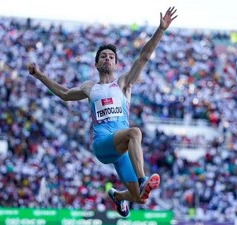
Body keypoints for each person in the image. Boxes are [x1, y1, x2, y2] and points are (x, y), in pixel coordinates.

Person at [28, 6, 178, 217]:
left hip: (123, 149)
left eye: (111, 57)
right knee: (135, 132)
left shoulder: (124, 84)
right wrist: (39, 75)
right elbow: (63, 93)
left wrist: (161, 29)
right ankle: (143, 179)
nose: (107, 59)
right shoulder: (90, 87)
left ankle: (118, 196)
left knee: (139, 198)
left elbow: (143, 57)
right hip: (103, 144)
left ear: (116, 64)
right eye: (103, 56)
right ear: (96, 63)